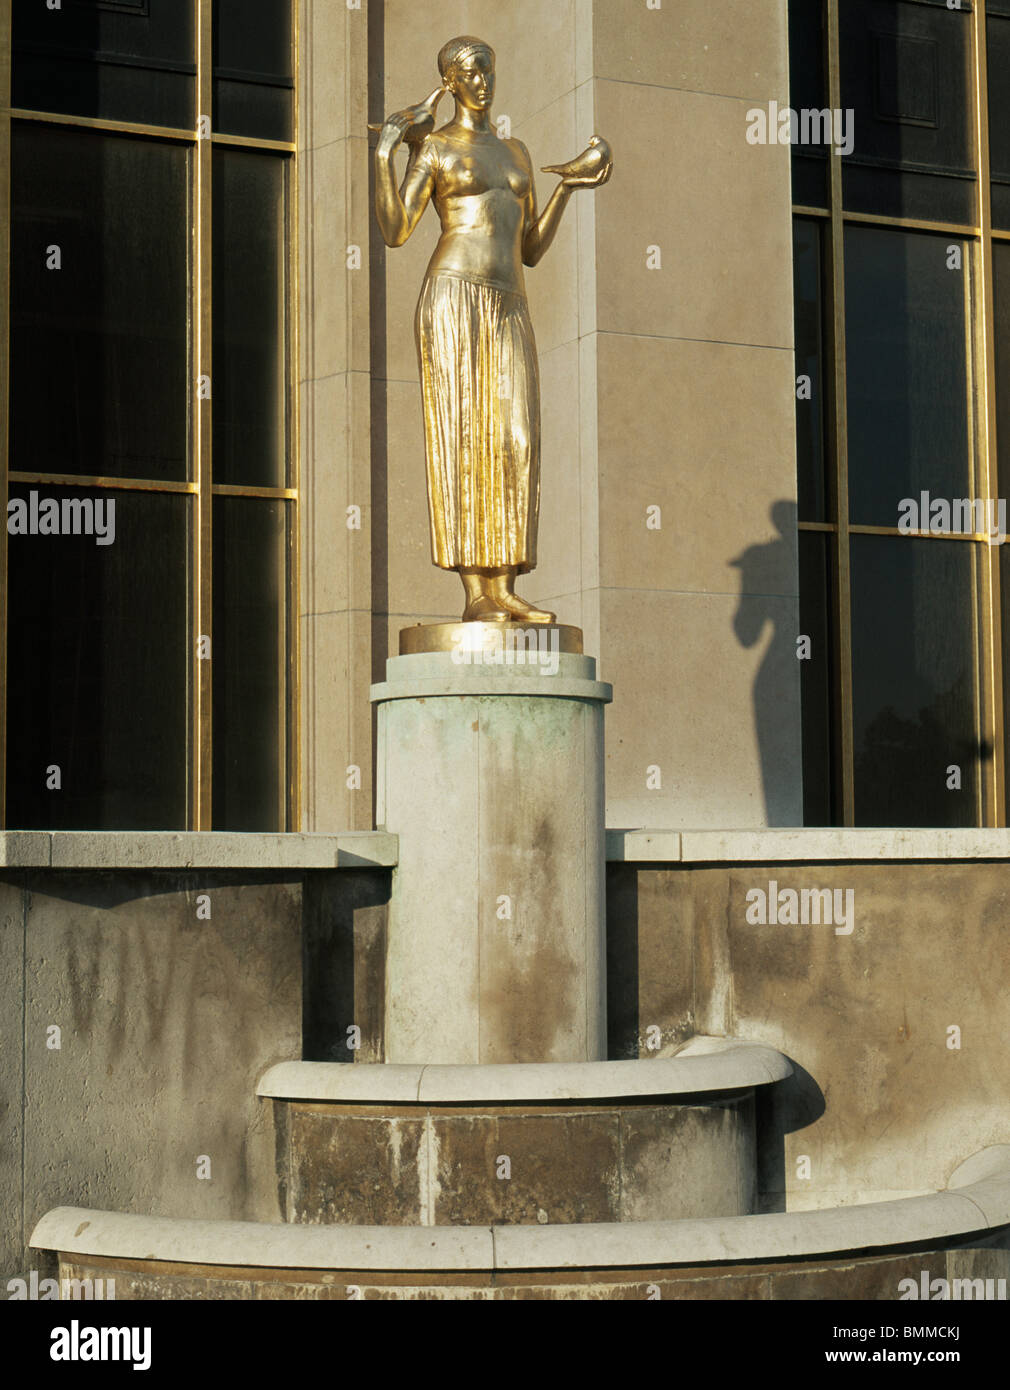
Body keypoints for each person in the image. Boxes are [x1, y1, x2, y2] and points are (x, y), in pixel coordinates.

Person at [374, 35, 611, 622]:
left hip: (509, 300)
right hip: (453, 296)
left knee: (516, 437)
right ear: (450, 81)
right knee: (465, 437)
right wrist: (384, 155)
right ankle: (476, 593)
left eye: (488, 70)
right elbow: (396, 229)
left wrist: (568, 188)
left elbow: (529, 248)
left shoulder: (516, 152)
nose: (484, 81)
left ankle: (503, 583)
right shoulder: (434, 149)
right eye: (471, 72)